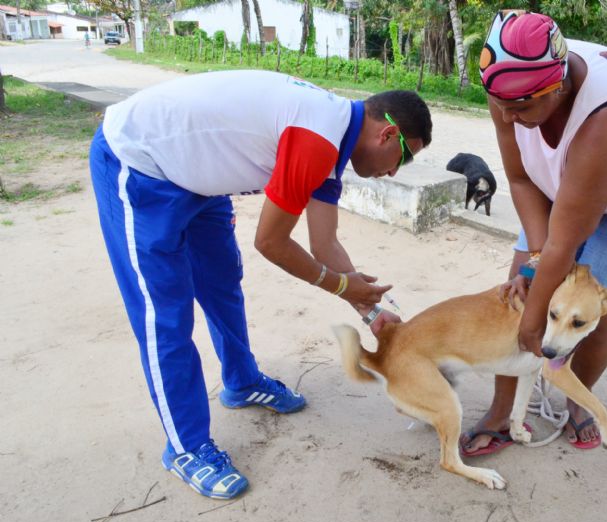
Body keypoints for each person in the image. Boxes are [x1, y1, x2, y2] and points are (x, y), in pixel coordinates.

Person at [89, 70, 432, 499]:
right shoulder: (317, 137)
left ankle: (241, 380)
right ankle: (186, 447)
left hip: (199, 180)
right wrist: (343, 289)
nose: (393, 172)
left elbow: (325, 246)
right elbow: (271, 242)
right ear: (388, 134)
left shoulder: (333, 142)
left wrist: (372, 312)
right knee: (165, 315)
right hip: (140, 164)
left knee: (222, 285)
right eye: (404, 158)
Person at [459, 11, 607, 455]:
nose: (509, 118)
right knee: (515, 298)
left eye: (522, 107)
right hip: (568, 183)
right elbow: (519, 179)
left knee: (594, 312)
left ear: (560, 85)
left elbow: (567, 241)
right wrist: (534, 266)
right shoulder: (509, 88)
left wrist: (537, 321)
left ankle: (577, 399)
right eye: (501, 106)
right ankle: (501, 412)